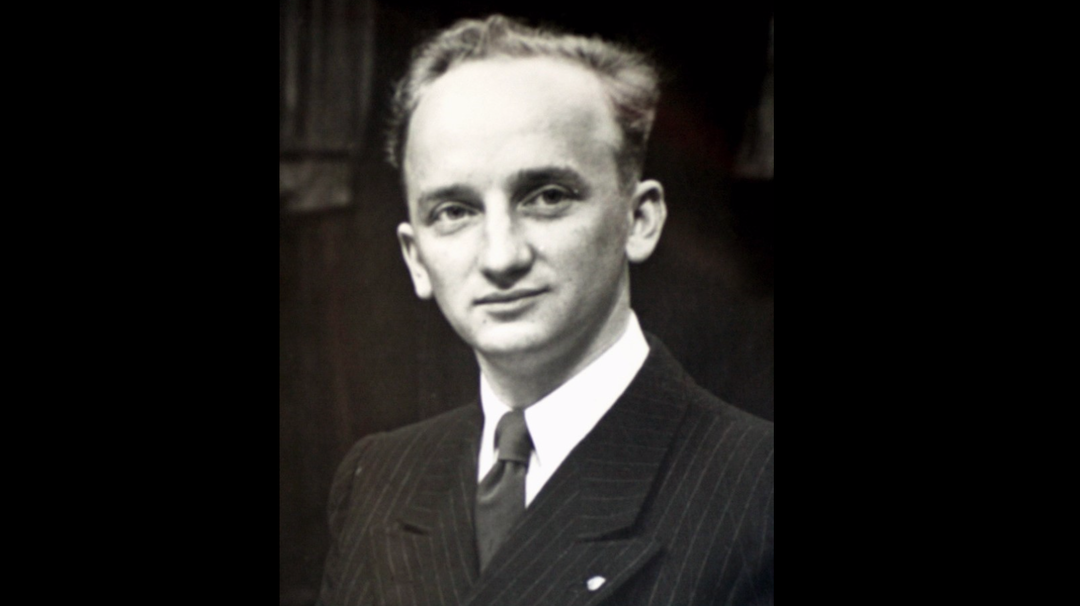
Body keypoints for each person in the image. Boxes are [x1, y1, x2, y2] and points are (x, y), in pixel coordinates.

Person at [317, 14, 773, 606]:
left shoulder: (757, 490)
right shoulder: (376, 481)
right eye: (454, 211)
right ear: (416, 258)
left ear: (640, 219)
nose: (502, 256)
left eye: (548, 197)